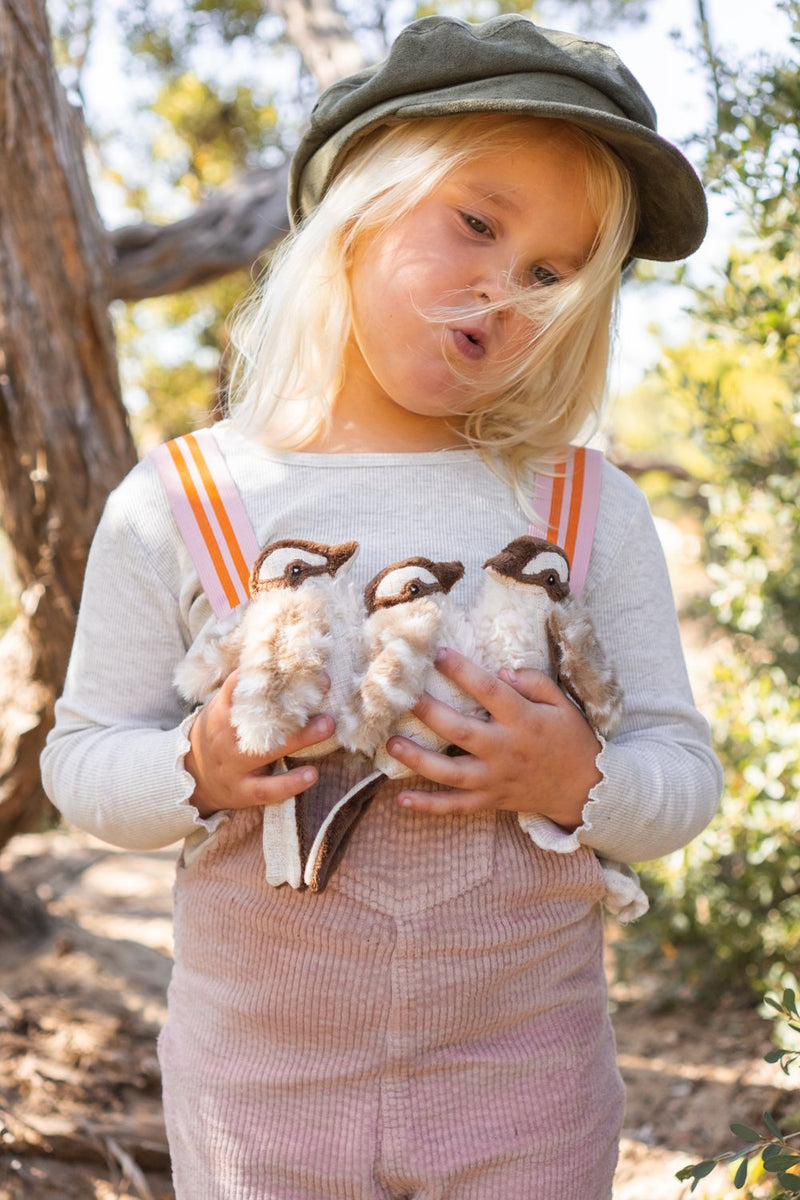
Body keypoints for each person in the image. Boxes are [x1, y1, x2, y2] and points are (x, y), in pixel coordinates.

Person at [41, 14, 723, 1200]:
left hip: (527, 1093)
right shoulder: (186, 499)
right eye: (474, 221)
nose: (502, 290)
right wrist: (192, 769)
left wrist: (579, 782)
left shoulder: (579, 506)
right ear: (359, 202)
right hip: (258, 1097)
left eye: (552, 273)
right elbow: (84, 756)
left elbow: (681, 766)